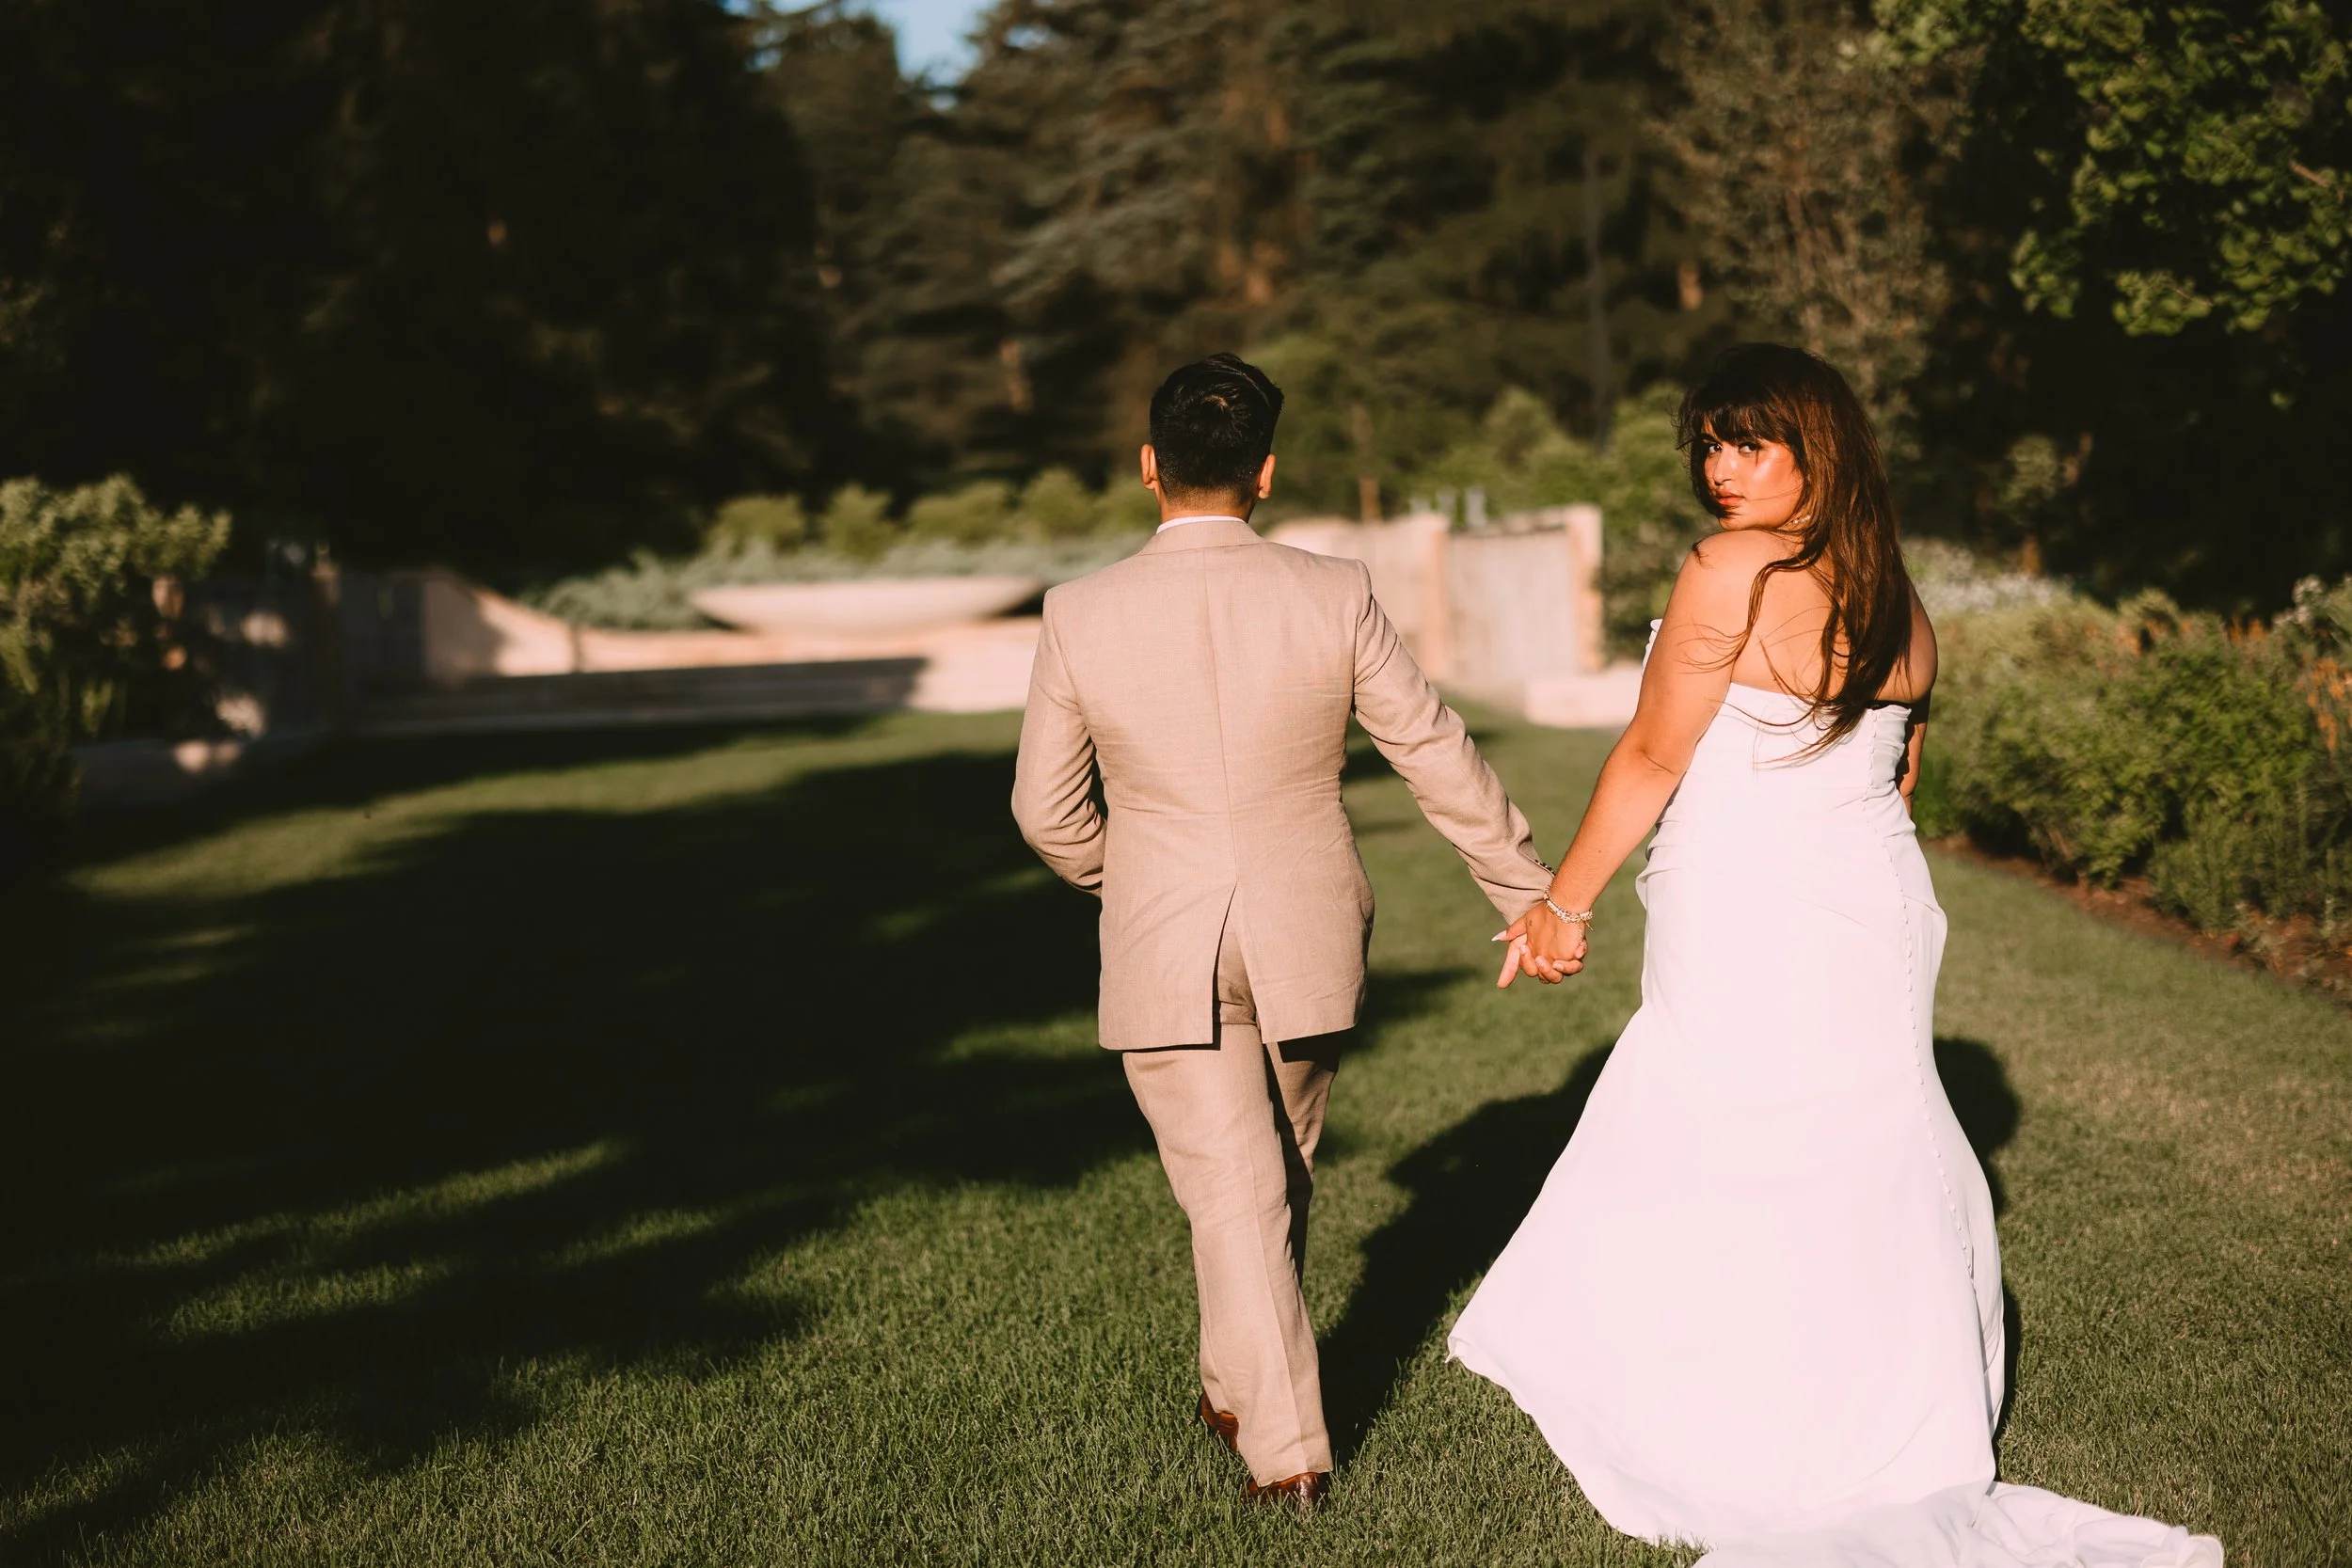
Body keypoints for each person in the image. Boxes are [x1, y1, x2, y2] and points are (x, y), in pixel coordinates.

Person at [1454, 344, 2222, 1567]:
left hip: (1754, 898)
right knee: (1848, 1134)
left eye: (1749, 439)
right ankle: (1869, 1398)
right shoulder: (1899, 599)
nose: (1720, 466)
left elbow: (1654, 756)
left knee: (1731, 1126)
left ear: (1822, 444)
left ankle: (1743, 1406)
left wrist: (1564, 905)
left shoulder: (1730, 569)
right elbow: (1902, 768)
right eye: (1708, 440)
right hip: (1873, 906)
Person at [1011, 353, 1554, 1509]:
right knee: (1265, 1182)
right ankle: (1240, 1391)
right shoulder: (1333, 589)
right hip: (1307, 921)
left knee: (1242, 1189)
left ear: (1148, 465)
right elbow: (1431, 749)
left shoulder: (1079, 608)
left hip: (1165, 930)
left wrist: (1134, 878)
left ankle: (1288, 1455)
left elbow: (1045, 811)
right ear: (1264, 471)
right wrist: (1523, 888)